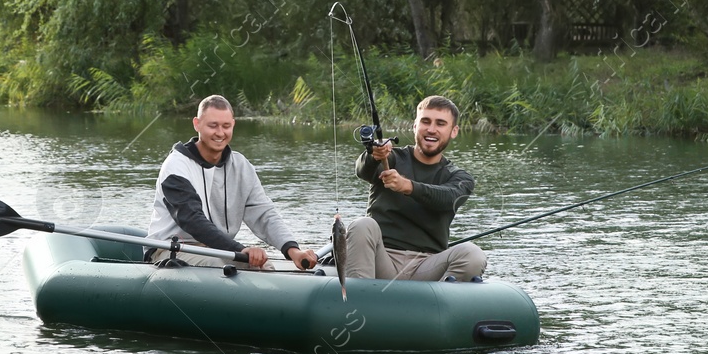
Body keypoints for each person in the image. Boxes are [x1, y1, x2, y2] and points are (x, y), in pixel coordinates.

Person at [144, 95, 319, 270]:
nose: (220, 133)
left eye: (226, 126)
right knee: (214, 266)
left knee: (264, 267)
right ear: (197, 124)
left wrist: (292, 250)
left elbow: (264, 214)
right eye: (213, 125)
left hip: (217, 249)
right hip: (171, 250)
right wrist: (241, 249)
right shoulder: (176, 166)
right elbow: (192, 219)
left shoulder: (241, 165)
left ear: (233, 125)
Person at [346, 95, 488, 282]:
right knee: (362, 225)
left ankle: (438, 304)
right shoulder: (392, 158)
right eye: (425, 122)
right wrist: (373, 155)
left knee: (473, 254)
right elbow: (363, 171)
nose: (431, 129)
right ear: (415, 126)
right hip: (381, 259)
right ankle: (360, 302)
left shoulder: (460, 177)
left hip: (428, 266)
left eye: (440, 124)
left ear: (453, 131)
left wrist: (407, 186)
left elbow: (448, 198)